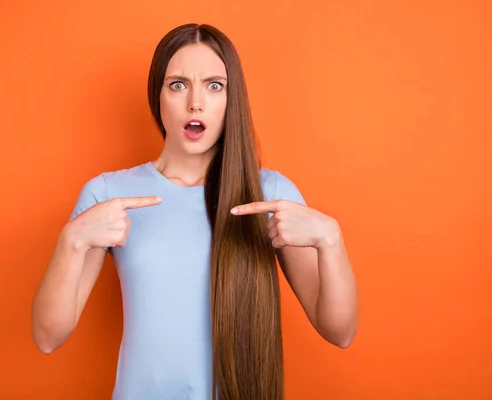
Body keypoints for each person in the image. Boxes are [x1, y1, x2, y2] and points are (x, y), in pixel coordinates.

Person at [31, 23, 358, 400]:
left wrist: (330, 239)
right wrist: (70, 241)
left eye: (214, 85)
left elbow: (341, 332)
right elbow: (47, 337)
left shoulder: (270, 195)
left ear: (231, 99)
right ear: (158, 95)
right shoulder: (108, 194)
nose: (195, 103)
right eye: (178, 84)